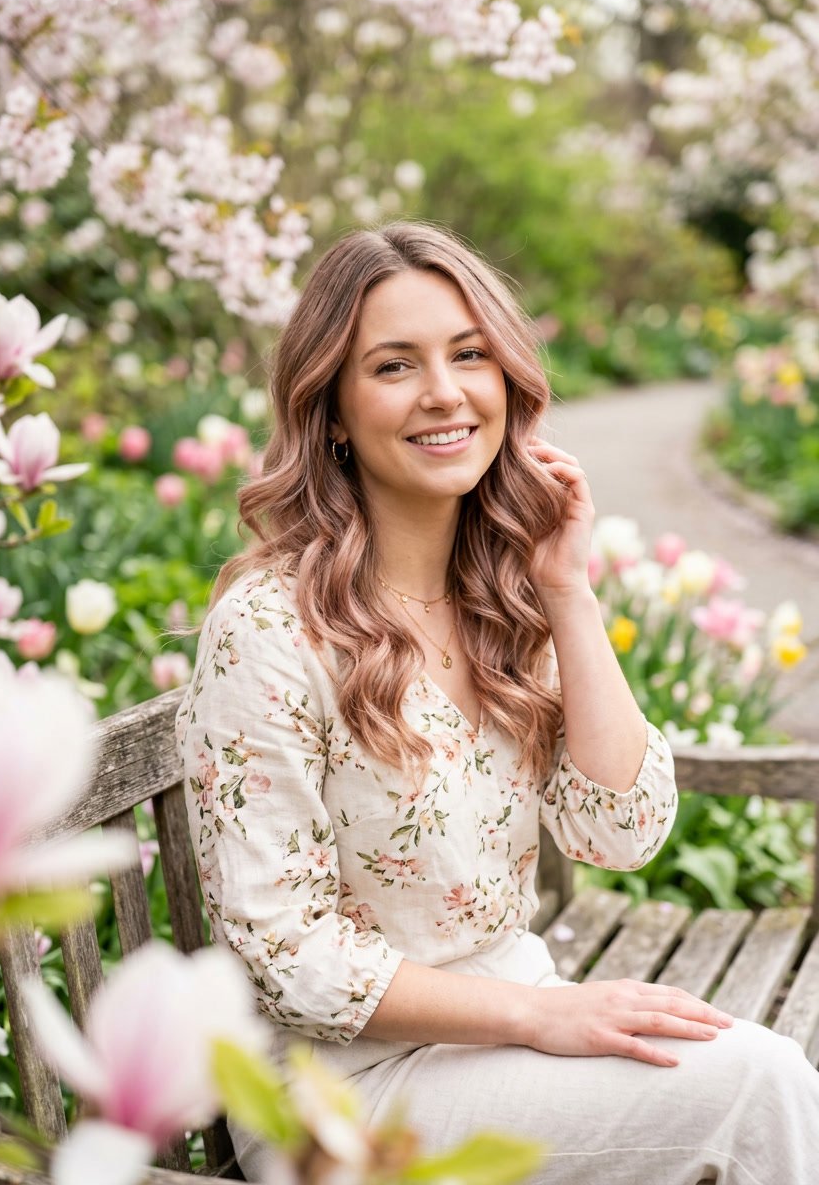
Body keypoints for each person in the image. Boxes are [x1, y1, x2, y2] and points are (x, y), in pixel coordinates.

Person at [175, 222, 819, 1184]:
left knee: (753, 1076)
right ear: (334, 411)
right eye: (395, 366)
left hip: (504, 1029)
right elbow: (289, 954)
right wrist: (542, 1015)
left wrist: (567, 590)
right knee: (756, 1083)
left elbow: (621, 830)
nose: (444, 392)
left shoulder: (500, 596)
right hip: (344, 1091)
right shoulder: (271, 629)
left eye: (469, 354)